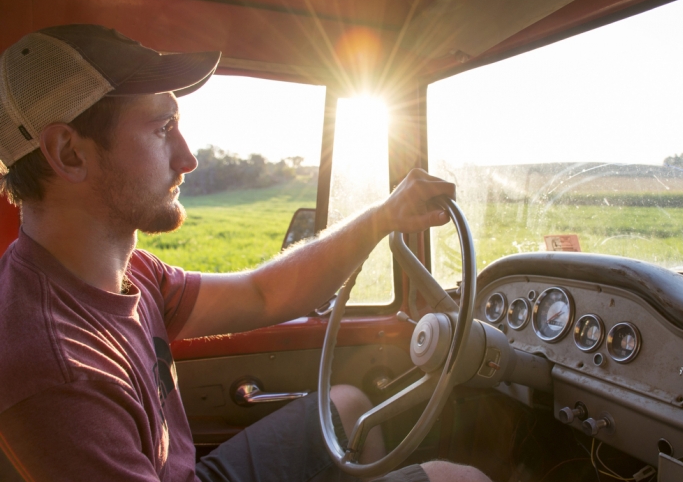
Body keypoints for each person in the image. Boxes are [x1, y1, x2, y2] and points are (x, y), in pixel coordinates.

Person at [0, 25, 491, 482]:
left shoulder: (125, 273)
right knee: (460, 479)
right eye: (162, 127)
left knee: (349, 405)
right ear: (68, 152)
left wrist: (382, 217)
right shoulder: (56, 374)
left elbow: (262, 295)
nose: (187, 158)